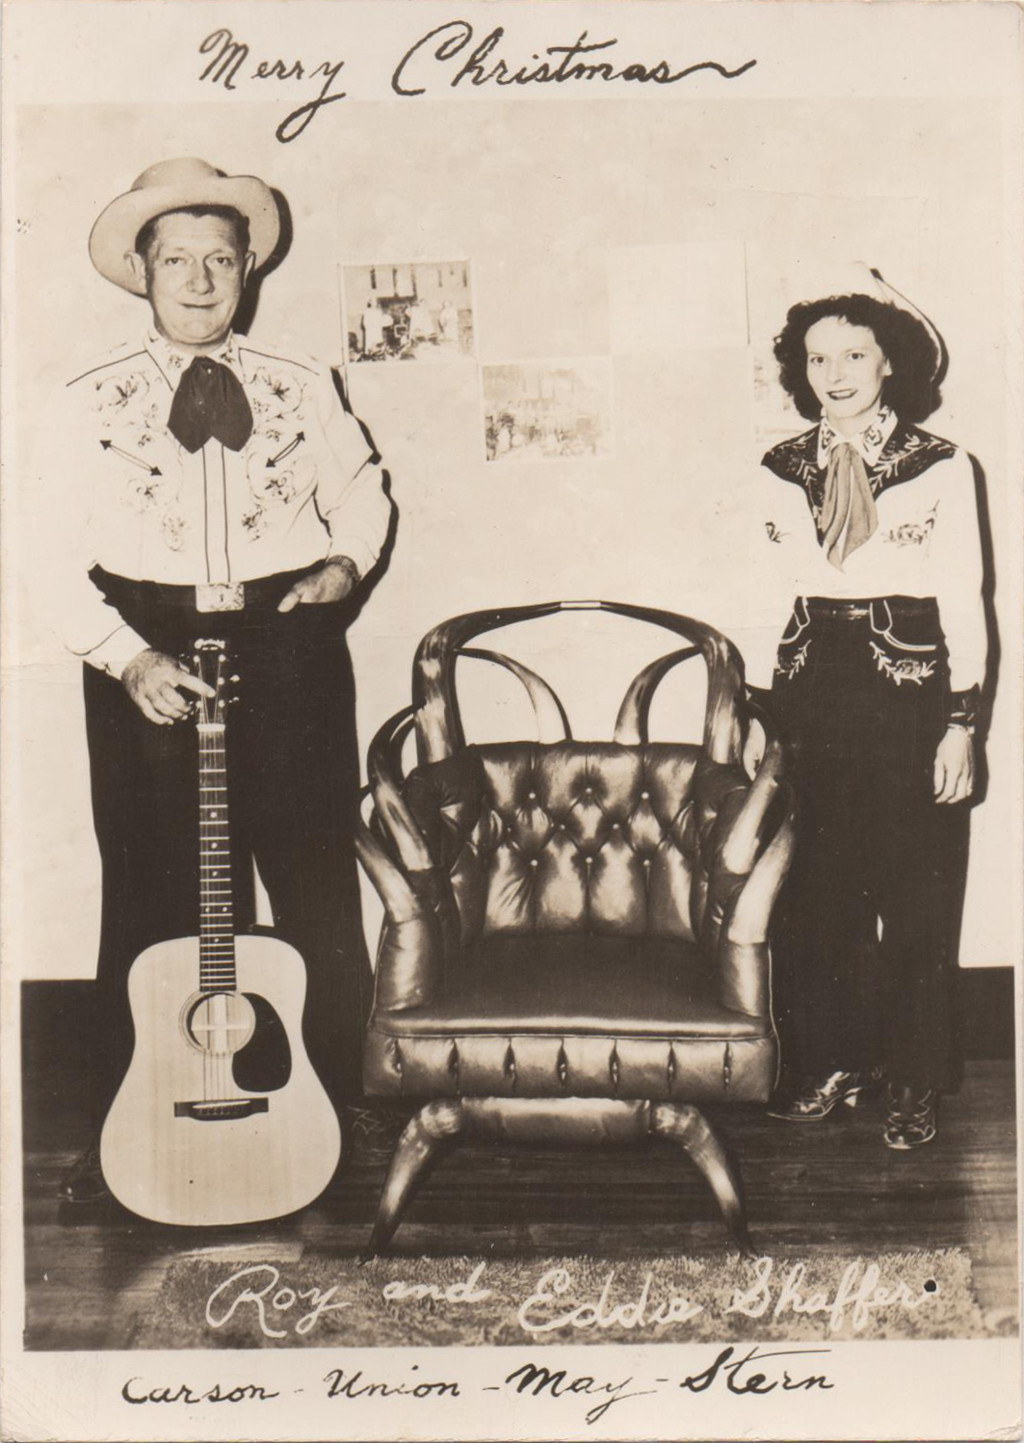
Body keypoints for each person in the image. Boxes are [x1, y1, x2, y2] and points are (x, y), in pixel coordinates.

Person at [53, 158, 393, 1201]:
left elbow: (364, 490)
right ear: (142, 272)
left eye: (220, 259)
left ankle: (339, 1105)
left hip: (285, 638)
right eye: (177, 260)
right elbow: (30, 547)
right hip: (145, 643)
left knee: (313, 876)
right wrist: (123, 655)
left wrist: (344, 565)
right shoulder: (81, 399)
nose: (201, 281)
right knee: (152, 882)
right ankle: (129, 1123)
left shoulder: (302, 380)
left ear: (248, 270)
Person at [740, 272, 986, 1150]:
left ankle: (914, 1078)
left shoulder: (942, 464)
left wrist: (962, 722)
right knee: (814, 890)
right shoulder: (778, 467)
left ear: (890, 364)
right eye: (818, 359)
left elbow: (965, 597)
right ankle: (831, 1060)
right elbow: (761, 594)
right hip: (809, 692)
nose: (835, 374)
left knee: (918, 892)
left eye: (853, 355)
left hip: (908, 693)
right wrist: (755, 714)